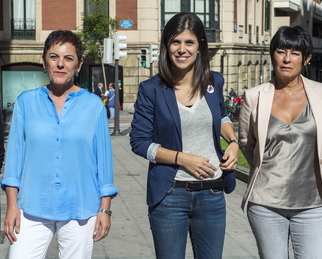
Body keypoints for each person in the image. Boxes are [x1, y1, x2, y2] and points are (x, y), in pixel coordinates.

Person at [130, 12, 239, 259]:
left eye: (189, 42)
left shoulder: (214, 82)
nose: (182, 49)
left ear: (200, 45)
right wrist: (182, 158)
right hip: (170, 195)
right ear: (166, 45)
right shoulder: (151, 90)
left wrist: (233, 141)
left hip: (212, 194)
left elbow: (220, 116)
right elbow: (139, 143)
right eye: (175, 42)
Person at [1, 30, 118, 259]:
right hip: (32, 207)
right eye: (54, 57)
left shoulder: (93, 105)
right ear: (44, 61)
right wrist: (11, 206)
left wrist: (105, 209)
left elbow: (103, 162)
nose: (60, 64)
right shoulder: (26, 101)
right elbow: (14, 159)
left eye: (68, 58)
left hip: (80, 208)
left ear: (79, 64)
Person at [239, 25, 322, 259]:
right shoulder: (255, 96)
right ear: (272, 53)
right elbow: (247, 142)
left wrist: (318, 165)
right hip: (265, 203)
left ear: (306, 59)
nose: (287, 59)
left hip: (314, 203)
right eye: (281, 51)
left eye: (295, 53)